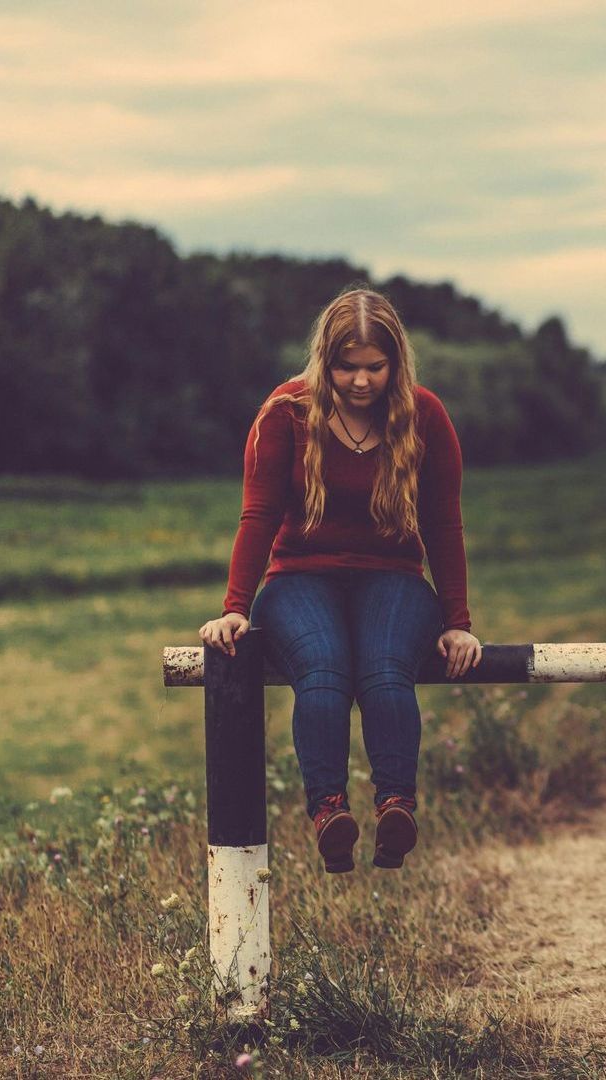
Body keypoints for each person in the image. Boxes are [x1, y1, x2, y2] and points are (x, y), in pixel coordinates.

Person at [199, 286, 481, 874]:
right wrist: (235, 606)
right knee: (323, 668)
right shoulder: (285, 412)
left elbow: (443, 523)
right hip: (300, 575)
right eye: (346, 367)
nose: (360, 381)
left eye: (375, 368)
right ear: (324, 361)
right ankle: (329, 813)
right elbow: (258, 514)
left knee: (383, 668)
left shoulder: (425, 415)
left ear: (396, 363)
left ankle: (396, 808)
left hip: (394, 576)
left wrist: (458, 624)